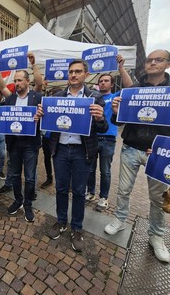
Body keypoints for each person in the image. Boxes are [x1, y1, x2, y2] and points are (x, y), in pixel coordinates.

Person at [104, 49, 170, 263]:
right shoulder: (134, 90)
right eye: (149, 60)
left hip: (159, 152)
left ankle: (156, 236)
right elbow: (118, 122)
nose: (152, 63)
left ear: (167, 64)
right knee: (123, 190)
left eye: (158, 60)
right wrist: (116, 111)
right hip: (131, 147)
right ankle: (120, 219)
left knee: (158, 198)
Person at [46, 59, 108, 252]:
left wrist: (99, 118)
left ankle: (77, 228)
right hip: (61, 150)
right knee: (61, 189)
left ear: (86, 75)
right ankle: (61, 221)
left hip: (82, 151)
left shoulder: (95, 97)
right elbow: (49, 123)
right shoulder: (57, 96)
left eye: (78, 71)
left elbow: (103, 127)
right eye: (71, 71)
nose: (73, 75)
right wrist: (42, 114)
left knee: (80, 192)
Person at [86, 55, 133, 211]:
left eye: (106, 81)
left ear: (112, 84)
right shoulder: (92, 97)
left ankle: (103, 198)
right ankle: (90, 192)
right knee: (90, 168)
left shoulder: (115, 96)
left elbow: (130, 88)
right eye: (101, 81)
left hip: (108, 139)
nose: (103, 83)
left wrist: (120, 68)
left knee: (105, 170)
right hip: (92, 138)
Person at [0, 69, 43, 223]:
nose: (16, 83)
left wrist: (40, 116)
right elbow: (1, 87)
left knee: (30, 178)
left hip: (30, 144)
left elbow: (40, 83)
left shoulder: (37, 97)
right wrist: (0, 118)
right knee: (15, 175)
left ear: (27, 81)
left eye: (19, 80)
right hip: (14, 144)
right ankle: (18, 200)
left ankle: (28, 204)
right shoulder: (10, 99)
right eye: (15, 81)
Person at [40, 86, 63, 189]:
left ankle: (62, 180)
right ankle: (49, 178)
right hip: (47, 137)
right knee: (47, 158)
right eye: (51, 96)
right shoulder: (47, 106)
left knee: (60, 159)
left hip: (58, 138)